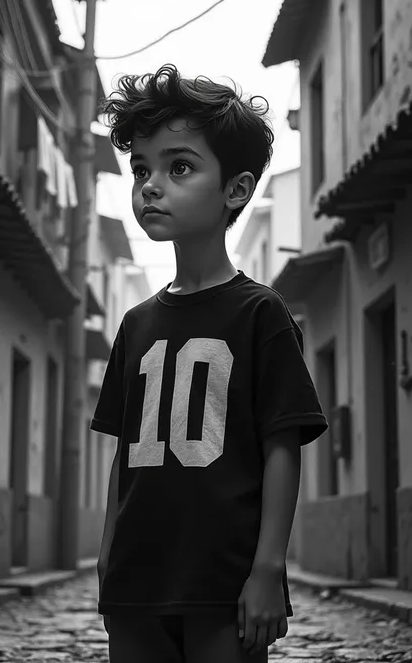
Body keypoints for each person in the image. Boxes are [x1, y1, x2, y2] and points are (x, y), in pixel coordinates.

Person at [91, 64, 328, 663]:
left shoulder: (261, 314)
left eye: (179, 167)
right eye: (141, 168)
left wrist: (268, 569)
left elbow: (282, 446)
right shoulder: (136, 323)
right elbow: (127, 453)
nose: (150, 184)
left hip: (224, 583)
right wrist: (105, 554)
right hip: (136, 581)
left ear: (236, 190)